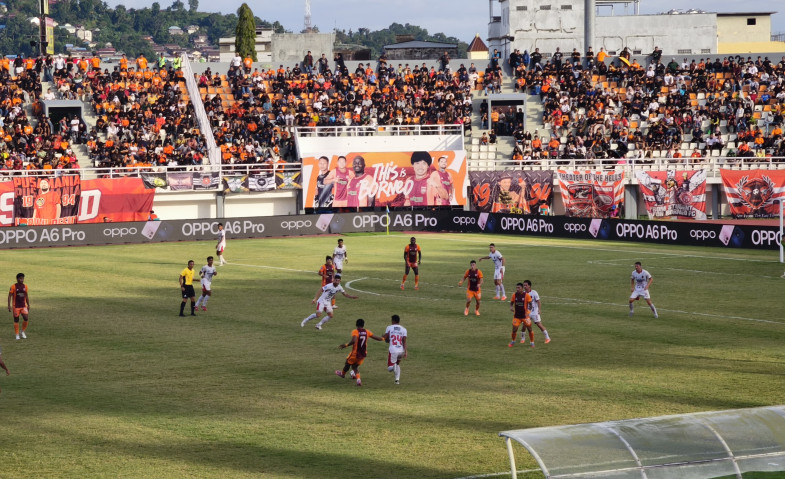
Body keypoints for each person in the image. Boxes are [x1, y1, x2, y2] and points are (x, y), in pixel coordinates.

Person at [336, 318, 384, 386]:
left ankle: (343, 374)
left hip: (355, 353)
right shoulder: (367, 331)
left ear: (356, 324)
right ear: (363, 325)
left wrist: (346, 345)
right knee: (355, 367)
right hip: (363, 353)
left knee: (347, 362)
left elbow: (353, 340)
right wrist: (383, 338)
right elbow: (377, 338)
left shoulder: (355, 331)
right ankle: (358, 380)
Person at [524, 280, 551, 344]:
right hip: (527, 312)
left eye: (526, 285)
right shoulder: (523, 293)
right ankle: (523, 338)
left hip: (534, 312)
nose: (524, 286)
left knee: (539, 324)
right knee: (525, 325)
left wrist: (539, 309)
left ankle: (547, 337)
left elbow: (538, 301)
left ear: (529, 286)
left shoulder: (534, 293)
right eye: (524, 285)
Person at [383, 314, 408, 384]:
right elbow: (404, 342)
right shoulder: (404, 329)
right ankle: (397, 380)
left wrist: (384, 338)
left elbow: (386, 339)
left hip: (393, 350)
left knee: (390, 368)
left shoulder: (389, 328)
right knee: (397, 364)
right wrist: (406, 352)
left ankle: (393, 367)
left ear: (393, 321)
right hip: (401, 350)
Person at [509, 282, 533, 347]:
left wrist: (528, 312)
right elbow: (511, 303)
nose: (517, 289)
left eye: (519, 288)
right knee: (514, 330)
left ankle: (532, 342)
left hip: (525, 316)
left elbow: (531, 304)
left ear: (522, 288)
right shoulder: (514, 295)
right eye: (516, 288)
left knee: (530, 329)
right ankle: (513, 341)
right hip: (517, 316)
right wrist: (511, 307)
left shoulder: (526, 295)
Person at [8, 273, 30, 340]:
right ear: (17, 279)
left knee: (26, 318)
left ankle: (22, 331)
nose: (22, 280)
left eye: (22, 278)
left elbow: (26, 296)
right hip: (16, 306)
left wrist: (28, 304)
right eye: (20, 278)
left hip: (23, 306)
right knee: (16, 320)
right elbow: (9, 296)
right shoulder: (13, 286)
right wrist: (9, 305)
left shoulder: (25, 286)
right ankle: (17, 334)